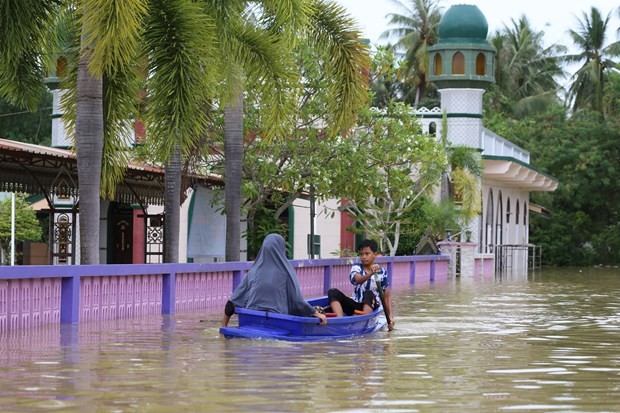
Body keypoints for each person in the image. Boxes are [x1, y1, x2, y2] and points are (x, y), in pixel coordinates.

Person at [221, 233, 327, 328]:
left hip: (252, 318)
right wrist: (316, 314)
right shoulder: (287, 272)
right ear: (282, 249)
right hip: (278, 320)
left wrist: (223, 329)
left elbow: (231, 303)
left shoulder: (253, 272)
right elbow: (297, 301)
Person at [327, 239, 395, 331]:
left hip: (371, 305)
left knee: (369, 293)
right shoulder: (356, 267)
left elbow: (386, 297)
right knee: (332, 292)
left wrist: (390, 317)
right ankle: (340, 321)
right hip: (356, 304)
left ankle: (362, 321)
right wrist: (371, 273)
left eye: (367, 254)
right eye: (361, 254)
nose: (363, 257)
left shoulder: (382, 272)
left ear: (374, 255)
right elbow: (358, 279)